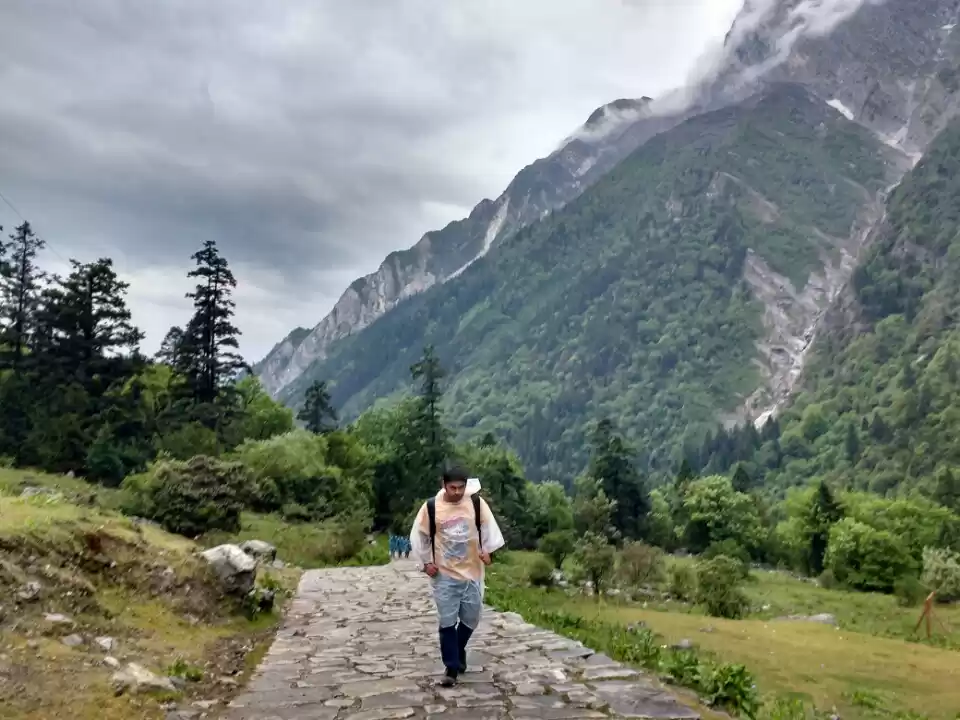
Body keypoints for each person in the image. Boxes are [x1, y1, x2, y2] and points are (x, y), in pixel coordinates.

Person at [410, 464, 505, 687]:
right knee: (447, 621)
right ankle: (451, 667)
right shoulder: (431, 507)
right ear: (443, 485)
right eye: (452, 487)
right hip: (444, 575)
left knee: (472, 618)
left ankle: (457, 648)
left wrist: (488, 553)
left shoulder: (475, 503)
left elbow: (489, 529)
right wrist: (425, 564)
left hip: (472, 572)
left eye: (460, 487)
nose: (456, 492)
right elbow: (419, 537)